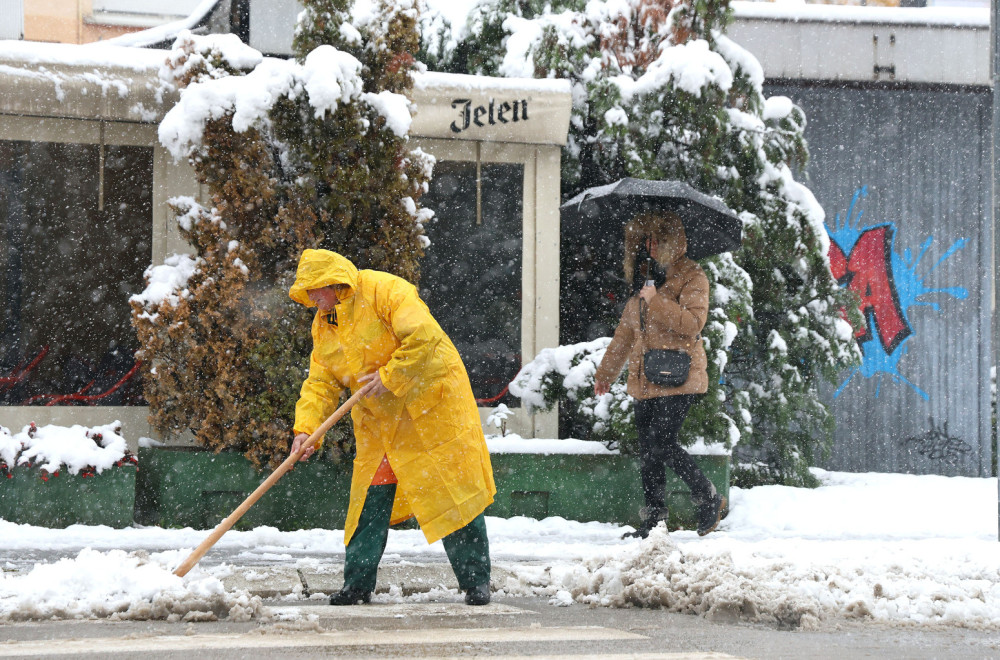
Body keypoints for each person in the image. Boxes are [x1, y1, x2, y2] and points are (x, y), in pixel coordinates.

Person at [288, 248, 496, 606]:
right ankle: (357, 585)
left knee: (452, 493)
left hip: (430, 410)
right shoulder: (325, 325)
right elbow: (321, 382)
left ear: (334, 283)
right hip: (381, 422)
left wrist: (391, 375)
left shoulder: (386, 291)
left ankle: (476, 581)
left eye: (314, 290)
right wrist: (307, 430)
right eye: (305, 292)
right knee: (368, 499)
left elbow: (424, 336)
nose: (310, 299)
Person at [593, 213, 726, 539]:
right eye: (645, 240)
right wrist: (605, 374)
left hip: (679, 375)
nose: (649, 246)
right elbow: (625, 333)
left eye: (655, 239)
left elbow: (692, 324)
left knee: (662, 443)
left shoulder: (692, 277)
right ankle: (653, 521)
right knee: (649, 452)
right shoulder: (646, 279)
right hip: (644, 378)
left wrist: (656, 302)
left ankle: (708, 497)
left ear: (672, 241)